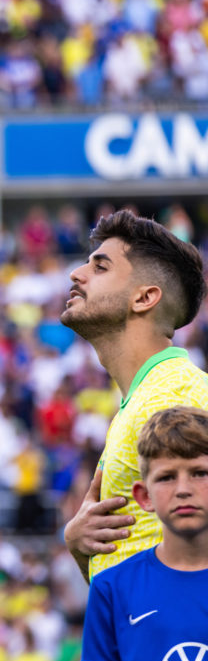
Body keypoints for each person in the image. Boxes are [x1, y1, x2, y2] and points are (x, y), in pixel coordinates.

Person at [61, 210, 208, 582]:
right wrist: (82, 550)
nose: (76, 274)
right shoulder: (144, 401)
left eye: (101, 267)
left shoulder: (177, 398)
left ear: (144, 298)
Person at [82, 406, 208, 661]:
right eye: (166, 477)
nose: (183, 489)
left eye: (199, 473)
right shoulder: (111, 589)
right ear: (144, 496)